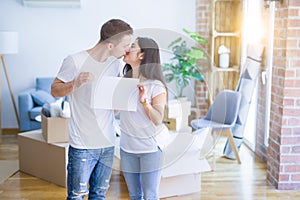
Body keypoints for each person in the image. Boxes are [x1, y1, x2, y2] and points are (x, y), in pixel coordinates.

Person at [51, 19, 133, 200]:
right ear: (111, 45)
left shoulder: (115, 65)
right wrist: (75, 83)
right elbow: (54, 90)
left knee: (99, 195)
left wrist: (124, 96)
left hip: (108, 143)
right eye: (125, 45)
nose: (127, 50)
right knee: (76, 196)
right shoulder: (75, 60)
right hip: (82, 145)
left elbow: (113, 110)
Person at [120, 37, 168, 200]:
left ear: (142, 55)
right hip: (127, 148)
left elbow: (157, 119)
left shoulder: (156, 86)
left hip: (150, 150)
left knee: (150, 195)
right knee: (134, 195)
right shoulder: (123, 82)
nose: (127, 48)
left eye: (132, 46)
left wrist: (144, 102)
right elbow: (114, 112)